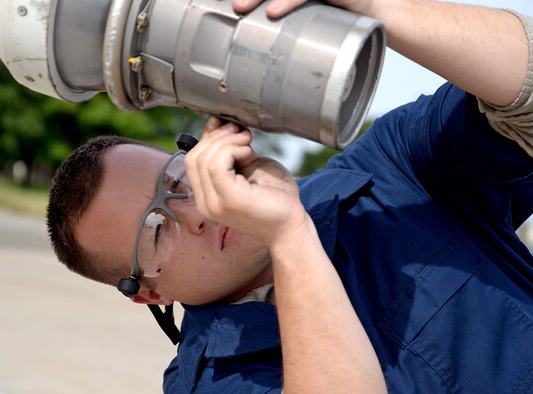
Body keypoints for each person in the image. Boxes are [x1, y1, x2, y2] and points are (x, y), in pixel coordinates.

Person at [46, 0, 533, 392]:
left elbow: (521, 95)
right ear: (150, 293)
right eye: (155, 230)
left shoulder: (384, 172)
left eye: (177, 183)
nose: (194, 214)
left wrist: (375, 7)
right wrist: (289, 236)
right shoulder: (210, 384)